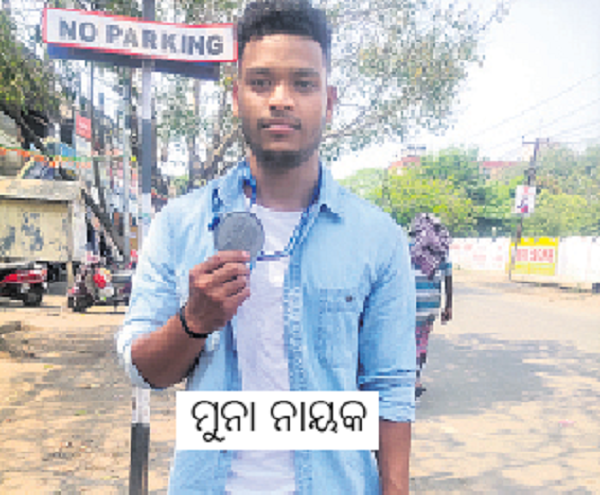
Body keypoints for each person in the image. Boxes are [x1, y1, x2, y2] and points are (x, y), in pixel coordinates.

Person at [116, 1, 416, 493]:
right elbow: (144, 371)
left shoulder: (377, 238)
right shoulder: (180, 225)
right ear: (236, 97)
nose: (281, 99)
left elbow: (390, 387)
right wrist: (193, 322)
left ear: (329, 101)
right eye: (260, 82)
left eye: (303, 83)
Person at [409, 213, 453, 399]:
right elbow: (448, 279)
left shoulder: (408, 250)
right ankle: (416, 378)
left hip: (408, 306)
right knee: (421, 343)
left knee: (406, 343)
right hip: (430, 307)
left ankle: (409, 379)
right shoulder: (441, 252)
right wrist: (448, 306)